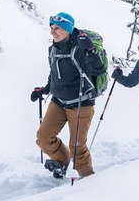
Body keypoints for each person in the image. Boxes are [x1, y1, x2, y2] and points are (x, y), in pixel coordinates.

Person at [30, 12, 106, 179]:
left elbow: (99, 69)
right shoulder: (53, 49)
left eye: (57, 28)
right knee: (43, 138)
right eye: (51, 28)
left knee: (77, 146)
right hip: (58, 100)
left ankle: (87, 178)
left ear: (68, 29)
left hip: (81, 102)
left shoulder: (80, 48)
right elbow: (54, 73)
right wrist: (45, 90)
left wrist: (91, 50)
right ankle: (63, 163)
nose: (53, 32)